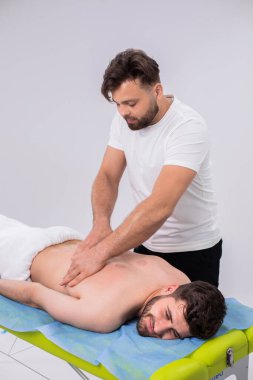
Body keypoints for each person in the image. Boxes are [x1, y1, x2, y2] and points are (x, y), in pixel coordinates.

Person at [61, 48, 222, 289]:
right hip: (145, 244)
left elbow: (160, 206)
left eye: (131, 103)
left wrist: (101, 252)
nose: (123, 112)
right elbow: (107, 176)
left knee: (187, 325)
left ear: (157, 90)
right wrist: (101, 224)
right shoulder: (124, 120)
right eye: (117, 104)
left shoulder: (187, 127)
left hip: (193, 251)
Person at [0, 215, 226, 340]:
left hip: (65, 236)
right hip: (18, 256)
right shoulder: (103, 315)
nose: (158, 328)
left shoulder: (180, 279)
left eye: (173, 333)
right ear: (171, 289)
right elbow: (34, 295)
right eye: (166, 315)